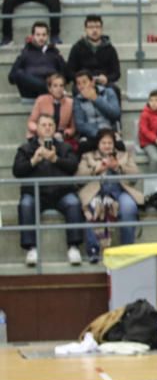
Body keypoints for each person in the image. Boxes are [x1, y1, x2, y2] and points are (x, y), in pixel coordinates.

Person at [13, 113, 85, 267]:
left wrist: (55, 159)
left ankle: (74, 247)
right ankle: (31, 248)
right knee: (25, 204)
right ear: (36, 128)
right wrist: (33, 161)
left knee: (73, 203)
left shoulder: (64, 147)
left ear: (55, 128)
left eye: (50, 125)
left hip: (62, 193)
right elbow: (17, 171)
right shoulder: (26, 148)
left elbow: (73, 166)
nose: (47, 128)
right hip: (35, 194)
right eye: (43, 125)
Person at [76, 128, 142, 263]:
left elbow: (135, 175)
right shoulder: (87, 156)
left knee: (129, 207)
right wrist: (96, 169)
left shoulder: (124, 155)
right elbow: (78, 177)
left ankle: (127, 250)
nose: (107, 146)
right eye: (103, 143)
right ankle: (94, 252)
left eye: (110, 143)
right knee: (91, 208)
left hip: (120, 191)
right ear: (98, 144)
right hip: (96, 192)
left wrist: (118, 167)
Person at [8, 22, 66, 99]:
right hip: (30, 91)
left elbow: (66, 76)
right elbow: (11, 77)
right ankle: (49, 90)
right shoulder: (26, 52)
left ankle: (50, 90)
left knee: (55, 82)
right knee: (19, 73)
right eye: (38, 35)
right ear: (33, 36)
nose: (41, 38)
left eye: (44, 35)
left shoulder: (54, 52)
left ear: (47, 36)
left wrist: (60, 59)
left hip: (50, 84)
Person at [66, 15, 121, 93]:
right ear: (85, 29)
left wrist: (107, 78)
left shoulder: (110, 49)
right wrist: (82, 79)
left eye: (98, 27)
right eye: (91, 27)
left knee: (115, 90)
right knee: (77, 90)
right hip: (83, 83)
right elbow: (69, 71)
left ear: (102, 29)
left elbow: (116, 73)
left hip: (103, 83)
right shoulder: (77, 48)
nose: (94, 30)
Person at [27, 72, 75, 141]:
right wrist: (41, 131)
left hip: (60, 136)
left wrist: (64, 133)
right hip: (40, 135)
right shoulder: (41, 100)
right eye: (55, 86)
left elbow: (72, 128)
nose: (59, 89)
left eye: (61, 86)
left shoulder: (70, 103)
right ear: (50, 88)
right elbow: (31, 122)